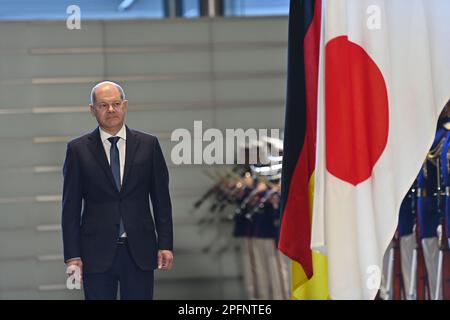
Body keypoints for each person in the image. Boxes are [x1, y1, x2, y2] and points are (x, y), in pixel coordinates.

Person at [61, 81, 173, 300]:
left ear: (125, 106)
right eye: (103, 105)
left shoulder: (149, 145)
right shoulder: (77, 149)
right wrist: (72, 256)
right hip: (95, 252)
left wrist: (166, 244)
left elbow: (161, 200)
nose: (111, 110)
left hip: (139, 250)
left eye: (115, 103)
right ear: (92, 110)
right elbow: (70, 208)